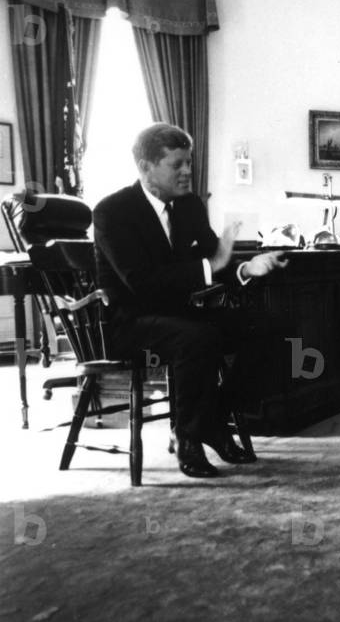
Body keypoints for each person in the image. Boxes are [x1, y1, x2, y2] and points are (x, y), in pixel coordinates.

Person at [93, 123, 289, 479]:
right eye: (177, 164)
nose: (187, 171)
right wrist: (210, 265)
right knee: (197, 337)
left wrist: (246, 268)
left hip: (182, 318)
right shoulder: (112, 211)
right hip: (130, 323)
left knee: (268, 327)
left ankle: (212, 420)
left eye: (189, 163)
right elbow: (140, 282)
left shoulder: (189, 206)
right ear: (146, 167)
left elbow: (217, 259)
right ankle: (189, 437)